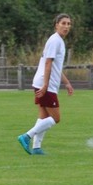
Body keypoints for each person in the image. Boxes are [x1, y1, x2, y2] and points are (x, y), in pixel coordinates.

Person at [18, 13, 74, 155]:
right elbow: (48, 63)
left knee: (43, 116)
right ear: (56, 25)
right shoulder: (55, 41)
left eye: (68, 24)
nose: (66, 26)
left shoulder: (58, 41)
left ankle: (36, 148)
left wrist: (66, 83)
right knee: (56, 118)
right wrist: (45, 85)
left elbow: (55, 67)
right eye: (63, 23)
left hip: (45, 83)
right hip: (46, 84)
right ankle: (26, 136)